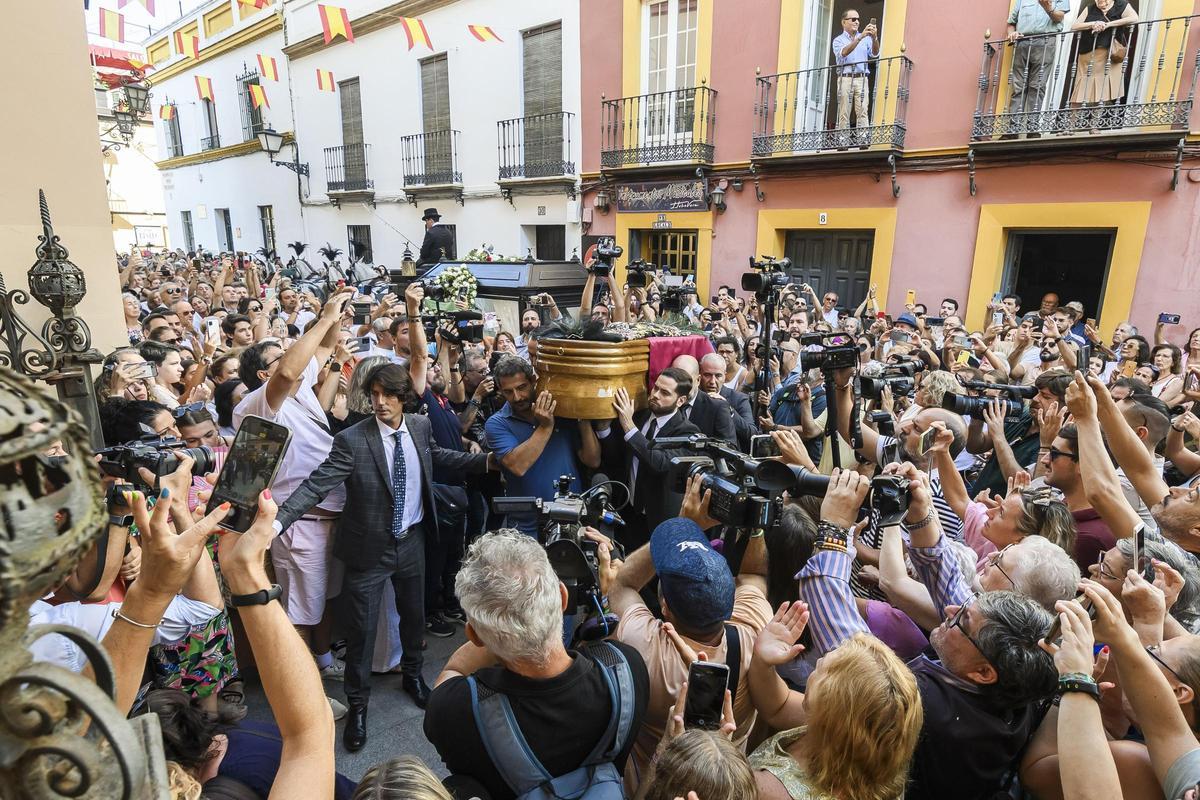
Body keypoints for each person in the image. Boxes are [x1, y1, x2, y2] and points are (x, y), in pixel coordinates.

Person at [793, 466, 1058, 800]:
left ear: (983, 672)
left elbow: (851, 652)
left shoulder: (923, 709)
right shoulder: (1015, 677)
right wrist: (920, 514)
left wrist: (834, 528)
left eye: (961, 621)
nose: (948, 611)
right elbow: (954, 590)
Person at [277, 363, 492, 751]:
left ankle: (413, 677)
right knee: (361, 633)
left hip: (412, 543)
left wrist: (487, 462)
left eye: (388, 395)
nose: (380, 402)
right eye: (374, 394)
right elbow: (317, 484)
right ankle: (358, 706)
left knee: (414, 618)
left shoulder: (420, 426)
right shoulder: (352, 440)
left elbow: (437, 455)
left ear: (403, 397)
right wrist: (278, 522)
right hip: (367, 552)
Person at [425, 530, 650, 800]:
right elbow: (599, 655)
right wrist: (603, 599)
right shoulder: (627, 669)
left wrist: (496, 632)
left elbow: (452, 673)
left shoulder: (456, 712)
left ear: (474, 637)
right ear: (563, 598)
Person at [234, 289, 354, 686]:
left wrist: (335, 310)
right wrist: (324, 319)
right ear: (262, 375)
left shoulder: (302, 389)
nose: (292, 357)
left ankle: (323, 662)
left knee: (326, 600)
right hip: (300, 525)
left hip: (332, 516)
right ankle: (303, 691)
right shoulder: (257, 403)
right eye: (280, 355)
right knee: (300, 612)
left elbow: (325, 346)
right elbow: (287, 372)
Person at [607, 512, 773, 790]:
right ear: (731, 600)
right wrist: (754, 525)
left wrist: (686, 523)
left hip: (654, 788)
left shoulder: (642, 642)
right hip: (723, 787)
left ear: (664, 607)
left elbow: (622, 585)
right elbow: (753, 574)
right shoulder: (755, 633)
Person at [750, 625, 924, 800]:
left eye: (820, 668)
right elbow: (780, 705)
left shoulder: (771, 791)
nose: (818, 661)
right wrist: (762, 662)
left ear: (830, 712)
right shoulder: (849, 740)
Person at [484, 355, 602, 534]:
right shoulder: (497, 423)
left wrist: (582, 417)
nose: (517, 397)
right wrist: (546, 427)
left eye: (521, 387)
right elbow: (518, 466)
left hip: (570, 516)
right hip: (525, 524)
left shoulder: (561, 411)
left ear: (533, 381)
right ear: (500, 390)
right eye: (508, 392)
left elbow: (592, 460)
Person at [603, 370, 702, 550]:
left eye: (665, 393)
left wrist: (629, 426)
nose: (655, 395)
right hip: (627, 512)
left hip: (658, 521)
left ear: (680, 400)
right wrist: (603, 429)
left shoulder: (687, 432)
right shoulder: (639, 416)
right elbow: (617, 456)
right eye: (655, 388)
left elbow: (659, 463)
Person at [1006, 0, 1071, 135]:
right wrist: (1012, 33)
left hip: (1045, 41)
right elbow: (1011, 23)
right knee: (1018, 87)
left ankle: (1032, 128)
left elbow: (1059, 17)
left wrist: (1048, 8)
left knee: (1037, 86)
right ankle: (1012, 130)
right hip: (1022, 42)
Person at [1068, 0, 1138, 111]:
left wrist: (1107, 25)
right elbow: (1074, 26)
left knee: (1102, 94)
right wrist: (1093, 24)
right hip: (1087, 56)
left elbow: (1134, 18)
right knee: (1079, 93)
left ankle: (1095, 122)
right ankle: (1072, 122)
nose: (1099, 1)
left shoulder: (1121, 5)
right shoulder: (1090, 8)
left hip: (1109, 57)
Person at [831, 10, 878, 148]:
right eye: (853, 19)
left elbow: (875, 53)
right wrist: (860, 37)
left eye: (858, 19)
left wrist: (874, 38)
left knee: (863, 110)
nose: (857, 21)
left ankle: (863, 140)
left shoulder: (867, 39)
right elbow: (844, 53)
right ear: (844, 22)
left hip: (862, 78)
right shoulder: (838, 40)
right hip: (845, 78)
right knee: (844, 111)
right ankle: (843, 141)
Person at [670, 354, 737, 445]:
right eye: (676, 381)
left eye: (686, 381)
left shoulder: (717, 407)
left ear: (698, 380)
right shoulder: (666, 402)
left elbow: (729, 447)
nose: (681, 386)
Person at [700, 352, 756, 452]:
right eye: (707, 375)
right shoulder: (693, 398)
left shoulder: (738, 399)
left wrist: (728, 409)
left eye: (718, 376)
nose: (712, 381)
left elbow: (752, 434)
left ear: (725, 376)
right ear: (699, 375)